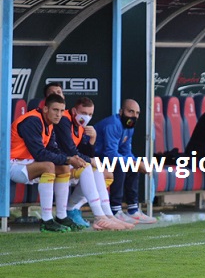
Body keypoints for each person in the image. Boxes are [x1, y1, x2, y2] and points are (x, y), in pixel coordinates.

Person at [52, 96, 134, 231]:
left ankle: (106, 214)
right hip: (58, 162)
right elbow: (70, 150)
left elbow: (84, 152)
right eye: (83, 113)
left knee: (98, 171)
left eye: (90, 114)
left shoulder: (81, 126)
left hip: (69, 162)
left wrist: (92, 139)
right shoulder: (64, 120)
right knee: (88, 167)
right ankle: (99, 216)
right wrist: (91, 160)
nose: (86, 117)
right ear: (74, 111)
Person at [10, 94, 87, 232]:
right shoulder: (32, 121)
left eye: (62, 111)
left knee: (63, 168)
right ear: (45, 109)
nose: (59, 114)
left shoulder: (49, 123)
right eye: (55, 110)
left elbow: (53, 149)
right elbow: (39, 154)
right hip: (12, 165)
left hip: (28, 164)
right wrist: (69, 159)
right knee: (49, 165)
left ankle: (61, 216)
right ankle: (46, 220)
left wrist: (70, 159)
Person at [94, 99, 157, 224]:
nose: (134, 116)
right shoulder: (113, 124)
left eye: (137, 113)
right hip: (94, 158)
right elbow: (110, 154)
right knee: (122, 165)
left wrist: (137, 163)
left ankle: (133, 209)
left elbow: (126, 152)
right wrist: (134, 163)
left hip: (106, 159)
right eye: (130, 111)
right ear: (121, 111)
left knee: (132, 165)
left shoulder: (129, 127)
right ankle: (115, 210)